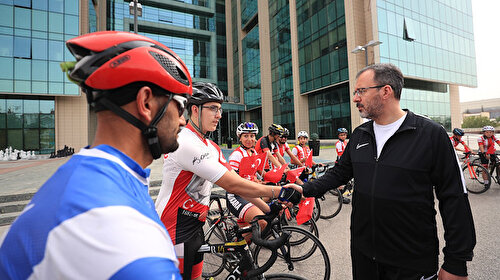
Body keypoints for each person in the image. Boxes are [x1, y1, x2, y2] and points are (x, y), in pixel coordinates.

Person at [0, 31, 192, 279]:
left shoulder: (84, 176)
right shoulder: (133, 246)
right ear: (146, 103)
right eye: (180, 105)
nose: (183, 120)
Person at [287, 63, 476, 280]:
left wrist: (456, 262)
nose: (355, 98)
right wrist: (304, 189)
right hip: (364, 257)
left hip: (411, 261)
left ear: (386, 91)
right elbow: (340, 173)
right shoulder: (359, 135)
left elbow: (454, 197)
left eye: (361, 91)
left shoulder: (431, 135)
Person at [155, 83, 301, 280]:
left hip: (195, 227)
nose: (219, 115)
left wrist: (268, 208)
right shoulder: (185, 142)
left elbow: (238, 181)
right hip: (174, 231)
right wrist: (280, 191)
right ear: (195, 109)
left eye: (220, 109)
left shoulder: (211, 146)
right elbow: (232, 185)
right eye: (213, 108)